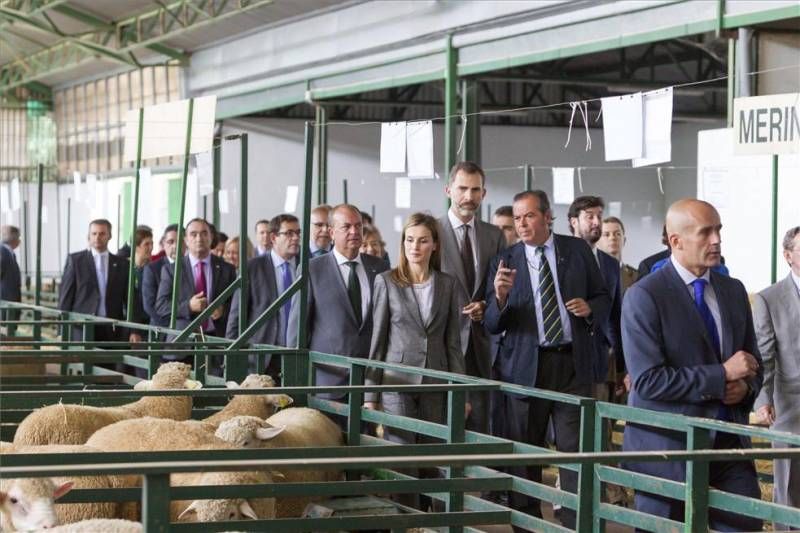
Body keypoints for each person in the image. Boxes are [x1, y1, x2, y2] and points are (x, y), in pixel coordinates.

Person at [622, 199, 762, 531]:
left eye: (718, 231)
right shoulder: (644, 296)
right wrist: (722, 375)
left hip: (727, 442)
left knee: (746, 524)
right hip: (666, 447)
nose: (716, 240)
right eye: (705, 233)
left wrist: (745, 389)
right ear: (676, 241)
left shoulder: (732, 290)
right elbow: (648, 381)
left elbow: (752, 362)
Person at [484, 190, 609, 529]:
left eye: (529, 216)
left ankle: (575, 523)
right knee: (526, 454)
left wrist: (590, 309)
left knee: (575, 454)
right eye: (518, 218)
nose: (522, 224)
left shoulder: (576, 250)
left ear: (546, 216)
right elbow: (492, 324)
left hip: (571, 364)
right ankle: (526, 525)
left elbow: (602, 296)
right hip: (525, 368)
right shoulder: (504, 260)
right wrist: (499, 296)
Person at [364, 212, 465, 509]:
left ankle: (434, 518)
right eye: (409, 240)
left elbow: (453, 343)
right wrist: (371, 393)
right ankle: (408, 518)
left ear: (434, 245)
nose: (415, 247)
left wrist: (460, 389)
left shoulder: (447, 284)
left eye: (422, 240)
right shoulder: (386, 281)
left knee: (433, 453)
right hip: (396, 382)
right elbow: (378, 340)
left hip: (435, 379)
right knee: (403, 453)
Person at [288, 204, 389, 401]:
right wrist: (296, 383)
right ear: (332, 232)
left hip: (369, 385)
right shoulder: (312, 269)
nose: (354, 232)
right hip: (327, 385)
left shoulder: (379, 268)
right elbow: (297, 331)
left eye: (358, 226)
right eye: (346, 227)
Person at [437, 161, 505, 434]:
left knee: (480, 422)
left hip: (481, 344)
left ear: (484, 194)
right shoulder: (431, 232)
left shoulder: (494, 235)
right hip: (442, 341)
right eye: (462, 188)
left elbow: (501, 284)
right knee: (442, 422)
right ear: (448, 190)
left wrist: (487, 305)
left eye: (475, 190)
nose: (469, 196)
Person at [753, 226, 800, 530]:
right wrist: (763, 398)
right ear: (788, 256)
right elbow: (765, 355)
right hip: (790, 405)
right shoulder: (769, 299)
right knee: (788, 486)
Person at [227, 214, 301, 377]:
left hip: (298, 354)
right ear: (274, 237)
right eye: (289, 233)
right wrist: (230, 355)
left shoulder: (308, 266)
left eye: (298, 232)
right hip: (263, 355)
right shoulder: (252, 268)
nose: (295, 238)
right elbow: (237, 315)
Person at [156, 218, 236, 358]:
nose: (199, 238)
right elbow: (161, 306)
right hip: (182, 344)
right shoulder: (172, 270)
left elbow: (236, 304)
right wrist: (188, 306)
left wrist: (223, 310)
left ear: (211, 238)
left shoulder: (226, 269)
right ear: (186, 240)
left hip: (216, 343)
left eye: (204, 233)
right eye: (193, 234)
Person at [58, 219, 140, 344]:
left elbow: (130, 299)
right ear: (88, 236)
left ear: (109, 236)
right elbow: (65, 298)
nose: (97, 238)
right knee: (83, 363)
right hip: (82, 328)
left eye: (102, 234)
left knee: (109, 363)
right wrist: (61, 330)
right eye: (94, 234)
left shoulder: (122, 264)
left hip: (112, 328)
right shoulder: (76, 261)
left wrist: (135, 330)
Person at [142, 224, 178, 327]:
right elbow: (149, 305)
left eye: (180, 241)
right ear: (163, 244)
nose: (175, 246)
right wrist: (171, 325)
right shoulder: (152, 268)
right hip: (161, 329)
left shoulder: (193, 266)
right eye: (170, 242)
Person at [598, 216, 638, 292]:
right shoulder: (590, 274)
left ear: (624, 240)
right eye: (606, 234)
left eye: (618, 234)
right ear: (597, 242)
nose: (612, 238)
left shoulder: (636, 276)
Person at [1, 225, 22, 335]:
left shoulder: (9, 253)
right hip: (4, 306)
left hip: (9, 306)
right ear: (15, 238)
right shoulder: (2, 251)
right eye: (19, 237)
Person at [131, 226, 153, 325]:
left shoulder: (154, 269)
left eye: (152, 243)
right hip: (130, 320)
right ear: (136, 247)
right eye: (146, 244)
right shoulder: (126, 268)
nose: (151, 248)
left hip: (149, 321)